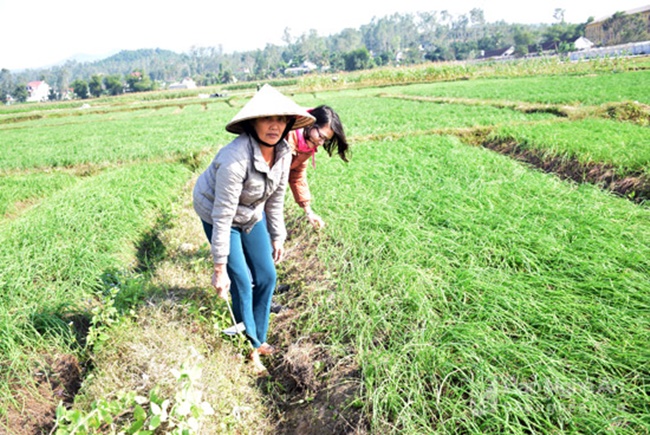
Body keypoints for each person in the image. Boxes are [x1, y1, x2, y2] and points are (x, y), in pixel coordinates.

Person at [193, 84, 315, 373]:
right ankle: (248, 348)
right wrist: (219, 268)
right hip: (218, 213)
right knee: (241, 282)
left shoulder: (284, 152)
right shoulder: (234, 158)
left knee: (267, 276)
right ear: (252, 123)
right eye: (266, 119)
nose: (274, 126)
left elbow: (275, 198)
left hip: (251, 212)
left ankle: (258, 339)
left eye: (281, 119)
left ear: (288, 125)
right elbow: (222, 216)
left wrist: (278, 236)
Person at [286, 105, 350, 230]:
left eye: (325, 140)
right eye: (321, 136)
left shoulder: (305, 147)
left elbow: (297, 177)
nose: (320, 143)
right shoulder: (285, 134)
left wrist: (308, 212)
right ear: (310, 124)